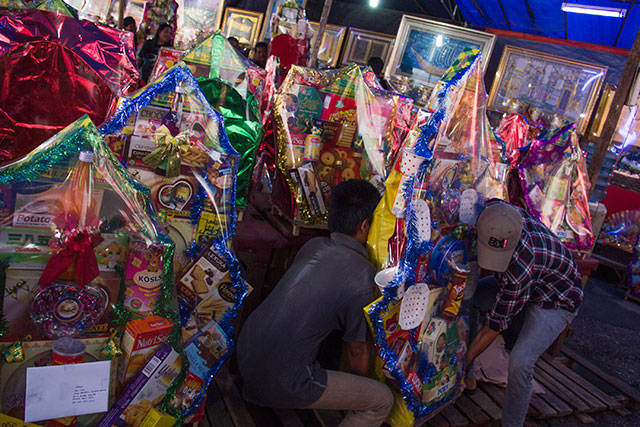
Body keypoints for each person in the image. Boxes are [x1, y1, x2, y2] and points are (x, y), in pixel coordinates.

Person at [237, 179, 393, 427]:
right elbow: (356, 351)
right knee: (381, 401)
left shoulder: (313, 245)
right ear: (365, 225)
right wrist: (361, 392)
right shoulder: (363, 276)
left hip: (245, 353)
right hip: (277, 379)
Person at [465, 201, 583, 427]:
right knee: (469, 298)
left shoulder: (521, 267)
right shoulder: (494, 211)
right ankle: (468, 377)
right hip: (531, 279)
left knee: (521, 362)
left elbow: (494, 325)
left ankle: (512, 424)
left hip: (557, 299)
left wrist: (462, 360)